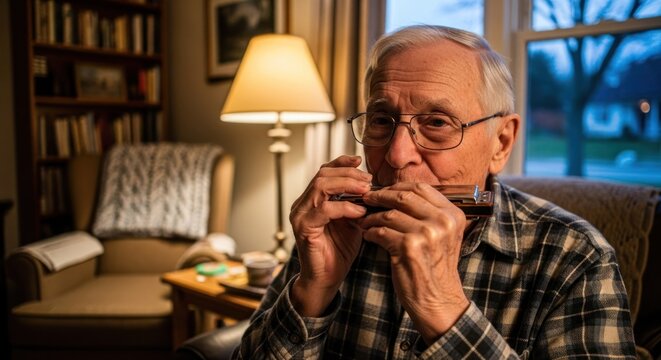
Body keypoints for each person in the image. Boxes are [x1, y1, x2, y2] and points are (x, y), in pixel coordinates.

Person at [232, 25, 636, 359]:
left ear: (501, 142)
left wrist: (443, 308)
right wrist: (312, 290)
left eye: (438, 122)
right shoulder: (336, 227)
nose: (396, 154)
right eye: (380, 119)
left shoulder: (575, 257)